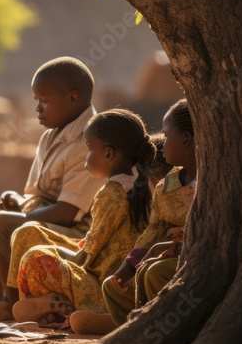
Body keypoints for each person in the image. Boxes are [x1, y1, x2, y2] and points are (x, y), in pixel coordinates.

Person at [0, 57, 105, 321]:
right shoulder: (49, 137)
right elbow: (38, 195)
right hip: (50, 214)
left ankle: (14, 304)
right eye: (36, 100)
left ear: (73, 98)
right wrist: (16, 202)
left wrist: (13, 217)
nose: (38, 109)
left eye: (44, 100)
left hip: (77, 229)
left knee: (3, 224)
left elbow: (68, 211)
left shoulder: (88, 142)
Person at [10, 109, 154, 328]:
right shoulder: (140, 186)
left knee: (36, 256)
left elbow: (86, 258)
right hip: (108, 274)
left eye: (88, 148)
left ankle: (56, 307)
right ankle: (59, 309)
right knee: (30, 231)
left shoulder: (111, 193)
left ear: (108, 154)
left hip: (102, 285)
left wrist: (52, 252)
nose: (86, 156)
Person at [97, 99, 197, 329]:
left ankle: (165, 331)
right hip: (159, 256)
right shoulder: (166, 186)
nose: (161, 143)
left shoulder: (213, 182)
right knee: (112, 285)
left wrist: (177, 247)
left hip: (192, 259)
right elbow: (153, 231)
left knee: (153, 272)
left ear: (186, 139)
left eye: (166, 134)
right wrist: (128, 264)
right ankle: (132, 329)